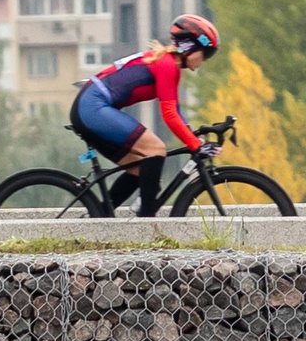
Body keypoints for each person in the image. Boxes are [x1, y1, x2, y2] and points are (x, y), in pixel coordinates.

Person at [70, 13, 221, 217]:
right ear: (190, 47)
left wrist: (194, 137)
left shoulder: (169, 64)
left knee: (138, 170)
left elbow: (175, 110)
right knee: (156, 148)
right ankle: (148, 223)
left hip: (91, 106)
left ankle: (99, 217)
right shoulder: (167, 65)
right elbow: (168, 114)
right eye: (205, 54)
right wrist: (195, 144)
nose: (205, 60)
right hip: (93, 107)